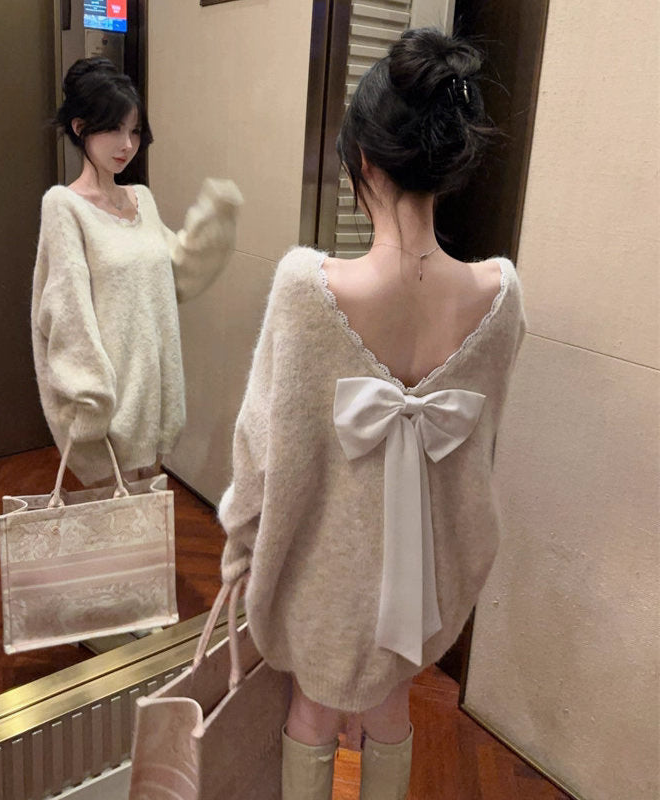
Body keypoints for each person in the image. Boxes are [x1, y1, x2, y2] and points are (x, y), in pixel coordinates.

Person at [218, 28, 526, 800]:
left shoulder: (307, 287)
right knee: (392, 707)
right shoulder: (499, 296)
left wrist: (239, 556)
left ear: (363, 158)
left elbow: (259, 448)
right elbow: (480, 446)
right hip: (425, 574)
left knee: (311, 714)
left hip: (323, 569)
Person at [32, 57, 242, 488]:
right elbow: (66, 312)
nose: (126, 144)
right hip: (108, 409)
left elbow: (175, 273)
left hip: (152, 400)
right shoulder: (64, 206)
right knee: (117, 521)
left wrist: (213, 221)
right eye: (113, 128)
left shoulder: (140, 198)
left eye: (134, 130)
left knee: (149, 520)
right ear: (80, 128)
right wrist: (90, 398)